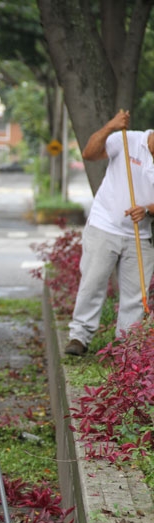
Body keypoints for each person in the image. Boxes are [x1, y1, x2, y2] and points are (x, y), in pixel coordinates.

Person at [65, 110, 154, 356]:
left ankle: (126, 348)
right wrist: (111, 126)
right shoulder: (128, 140)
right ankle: (79, 337)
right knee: (92, 283)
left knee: (137, 295)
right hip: (105, 226)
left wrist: (147, 209)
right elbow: (89, 154)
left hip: (140, 233)